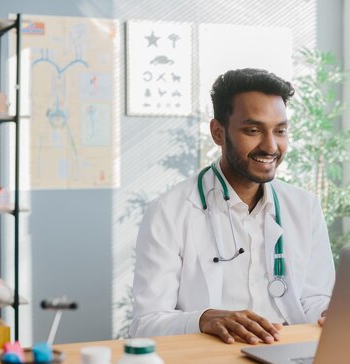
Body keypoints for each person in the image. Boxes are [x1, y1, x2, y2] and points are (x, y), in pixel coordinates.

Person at [130, 68, 335, 344]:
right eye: (253, 130)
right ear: (218, 132)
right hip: (213, 361)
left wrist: (328, 311)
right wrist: (203, 319)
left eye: (280, 131)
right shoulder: (169, 212)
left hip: (290, 351)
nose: (270, 146)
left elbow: (314, 297)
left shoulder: (304, 207)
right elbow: (146, 323)